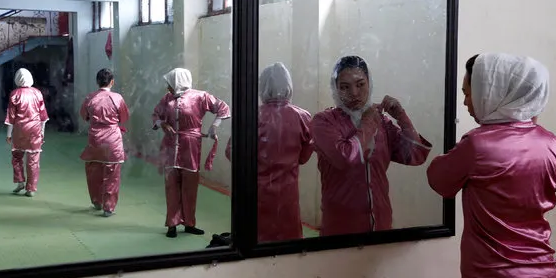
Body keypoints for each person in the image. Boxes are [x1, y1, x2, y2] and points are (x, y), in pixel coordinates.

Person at [426, 53, 556, 278]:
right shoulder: (551, 143)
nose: (465, 102)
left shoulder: (477, 146)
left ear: (493, 91)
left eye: (469, 93)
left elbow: (439, 180)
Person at [310, 55, 432, 236]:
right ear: (335, 89)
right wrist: (368, 123)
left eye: (360, 84)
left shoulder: (382, 122)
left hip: (380, 227)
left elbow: (414, 156)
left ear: (370, 83)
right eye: (344, 87)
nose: (354, 93)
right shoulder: (324, 122)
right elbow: (345, 158)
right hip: (340, 231)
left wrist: (401, 117)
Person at [224, 62, 314, 242]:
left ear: (262, 86)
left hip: (256, 192)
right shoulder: (303, 117)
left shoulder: (251, 116)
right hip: (288, 194)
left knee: (255, 240)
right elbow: (304, 157)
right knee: (288, 242)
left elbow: (231, 152)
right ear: (289, 85)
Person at [152, 68, 230, 238]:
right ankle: (172, 224)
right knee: (171, 185)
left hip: (191, 146)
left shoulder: (200, 97)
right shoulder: (167, 99)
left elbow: (223, 108)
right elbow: (156, 114)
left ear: (178, 82)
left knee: (190, 186)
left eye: (170, 83)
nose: (168, 87)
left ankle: (189, 223)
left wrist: (214, 126)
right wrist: (162, 124)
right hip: (171, 145)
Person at [79, 69, 130, 217]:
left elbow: (84, 115)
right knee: (112, 174)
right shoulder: (117, 98)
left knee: (94, 170)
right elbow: (124, 117)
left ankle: (96, 201)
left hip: (95, 139)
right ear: (112, 82)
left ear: (97, 81)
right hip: (113, 140)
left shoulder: (90, 98)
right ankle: (109, 207)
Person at [4, 68, 49, 197]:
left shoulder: (14, 94)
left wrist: (8, 135)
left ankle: (20, 182)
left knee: (17, 157)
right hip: (35, 130)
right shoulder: (38, 93)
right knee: (33, 159)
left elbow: (11, 118)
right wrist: (42, 132)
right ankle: (31, 189)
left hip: (19, 130)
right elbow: (43, 117)